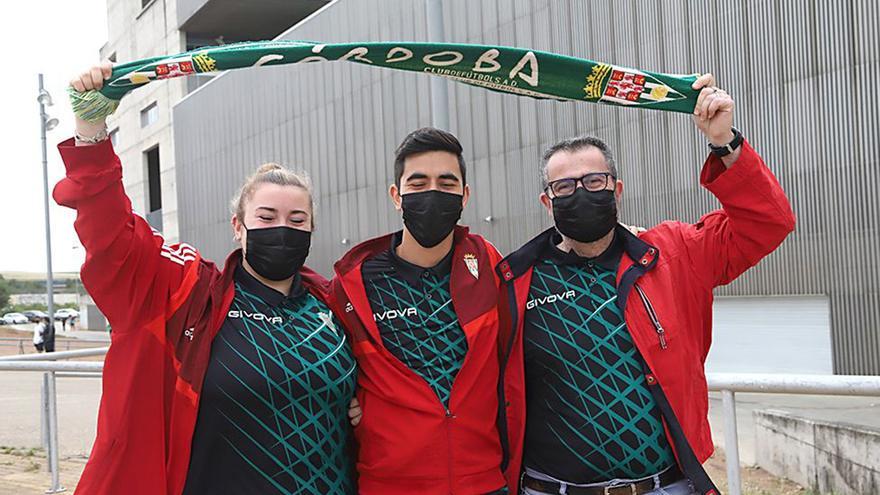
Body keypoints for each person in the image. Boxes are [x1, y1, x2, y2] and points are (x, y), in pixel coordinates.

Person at [58, 63, 358, 495]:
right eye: (266, 217)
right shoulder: (191, 295)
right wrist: (91, 133)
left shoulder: (335, 308)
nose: (283, 229)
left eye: (298, 219)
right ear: (238, 226)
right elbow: (114, 241)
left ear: (312, 228)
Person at [496, 74, 796, 495]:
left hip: (665, 486)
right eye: (564, 186)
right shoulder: (513, 281)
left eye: (594, 181)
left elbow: (768, 224)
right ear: (548, 202)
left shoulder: (674, 254)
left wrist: (723, 142)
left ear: (616, 189)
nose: (580, 193)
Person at [329, 128, 508, 494]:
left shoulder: (491, 266)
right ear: (396, 196)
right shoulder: (353, 284)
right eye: (418, 182)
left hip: (483, 482)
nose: (432, 193)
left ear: (465, 195)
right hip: (389, 484)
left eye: (446, 183)